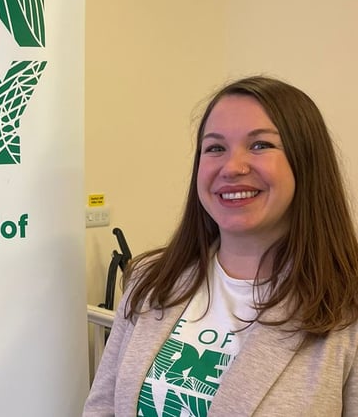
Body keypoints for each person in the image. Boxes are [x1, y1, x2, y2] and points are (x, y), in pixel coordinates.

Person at [83, 76, 358, 416]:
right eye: (215, 148)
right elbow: (103, 407)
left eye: (260, 145)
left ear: (306, 161)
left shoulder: (346, 307)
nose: (232, 167)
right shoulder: (151, 279)